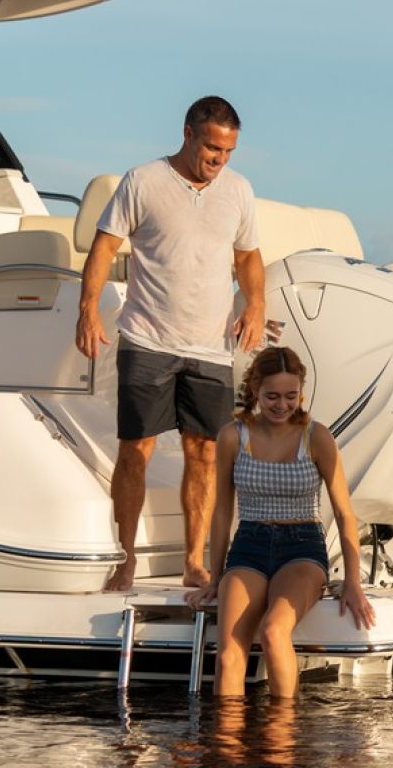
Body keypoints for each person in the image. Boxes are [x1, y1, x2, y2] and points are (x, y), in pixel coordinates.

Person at [75, 95, 265, 591]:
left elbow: (248, 256)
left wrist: (256, 303)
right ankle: (125, 558)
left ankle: (194, 561)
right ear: (188, 134)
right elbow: (105, 246)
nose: (219, 159)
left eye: (228, 151)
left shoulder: (238, 190)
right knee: (135, 449)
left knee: (204, 453)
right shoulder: (143, 181)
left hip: (210, 346)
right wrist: (88, 309)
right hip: (147, 338)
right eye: (212, 148)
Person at [186, 346, 376, 697]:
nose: (282, 405)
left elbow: (344, 513)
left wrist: (352, 581)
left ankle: (283, 731)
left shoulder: (317, 437)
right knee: (228, 656)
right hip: (249, 545)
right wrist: (216, 576)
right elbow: (223, 511)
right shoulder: (233, 436)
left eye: (291, 396)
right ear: (255, 390)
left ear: (301, 393)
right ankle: (227, 733)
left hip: (301, 548)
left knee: (274, 631)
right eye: (272, 396)